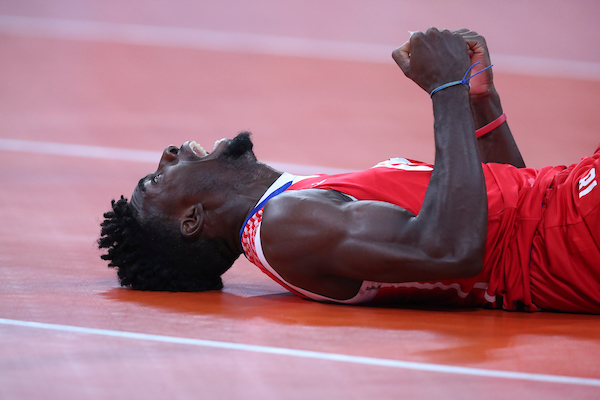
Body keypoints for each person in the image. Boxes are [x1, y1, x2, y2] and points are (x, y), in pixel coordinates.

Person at [98, 28, 600, 314]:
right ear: (192, 220)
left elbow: (501, 208)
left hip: (566, 218)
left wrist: (478, 102)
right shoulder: (286, 225)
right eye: (155, 181)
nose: (167, 153)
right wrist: (443, 89)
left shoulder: (292, 207)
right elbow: (451, 250)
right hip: (575, 227)